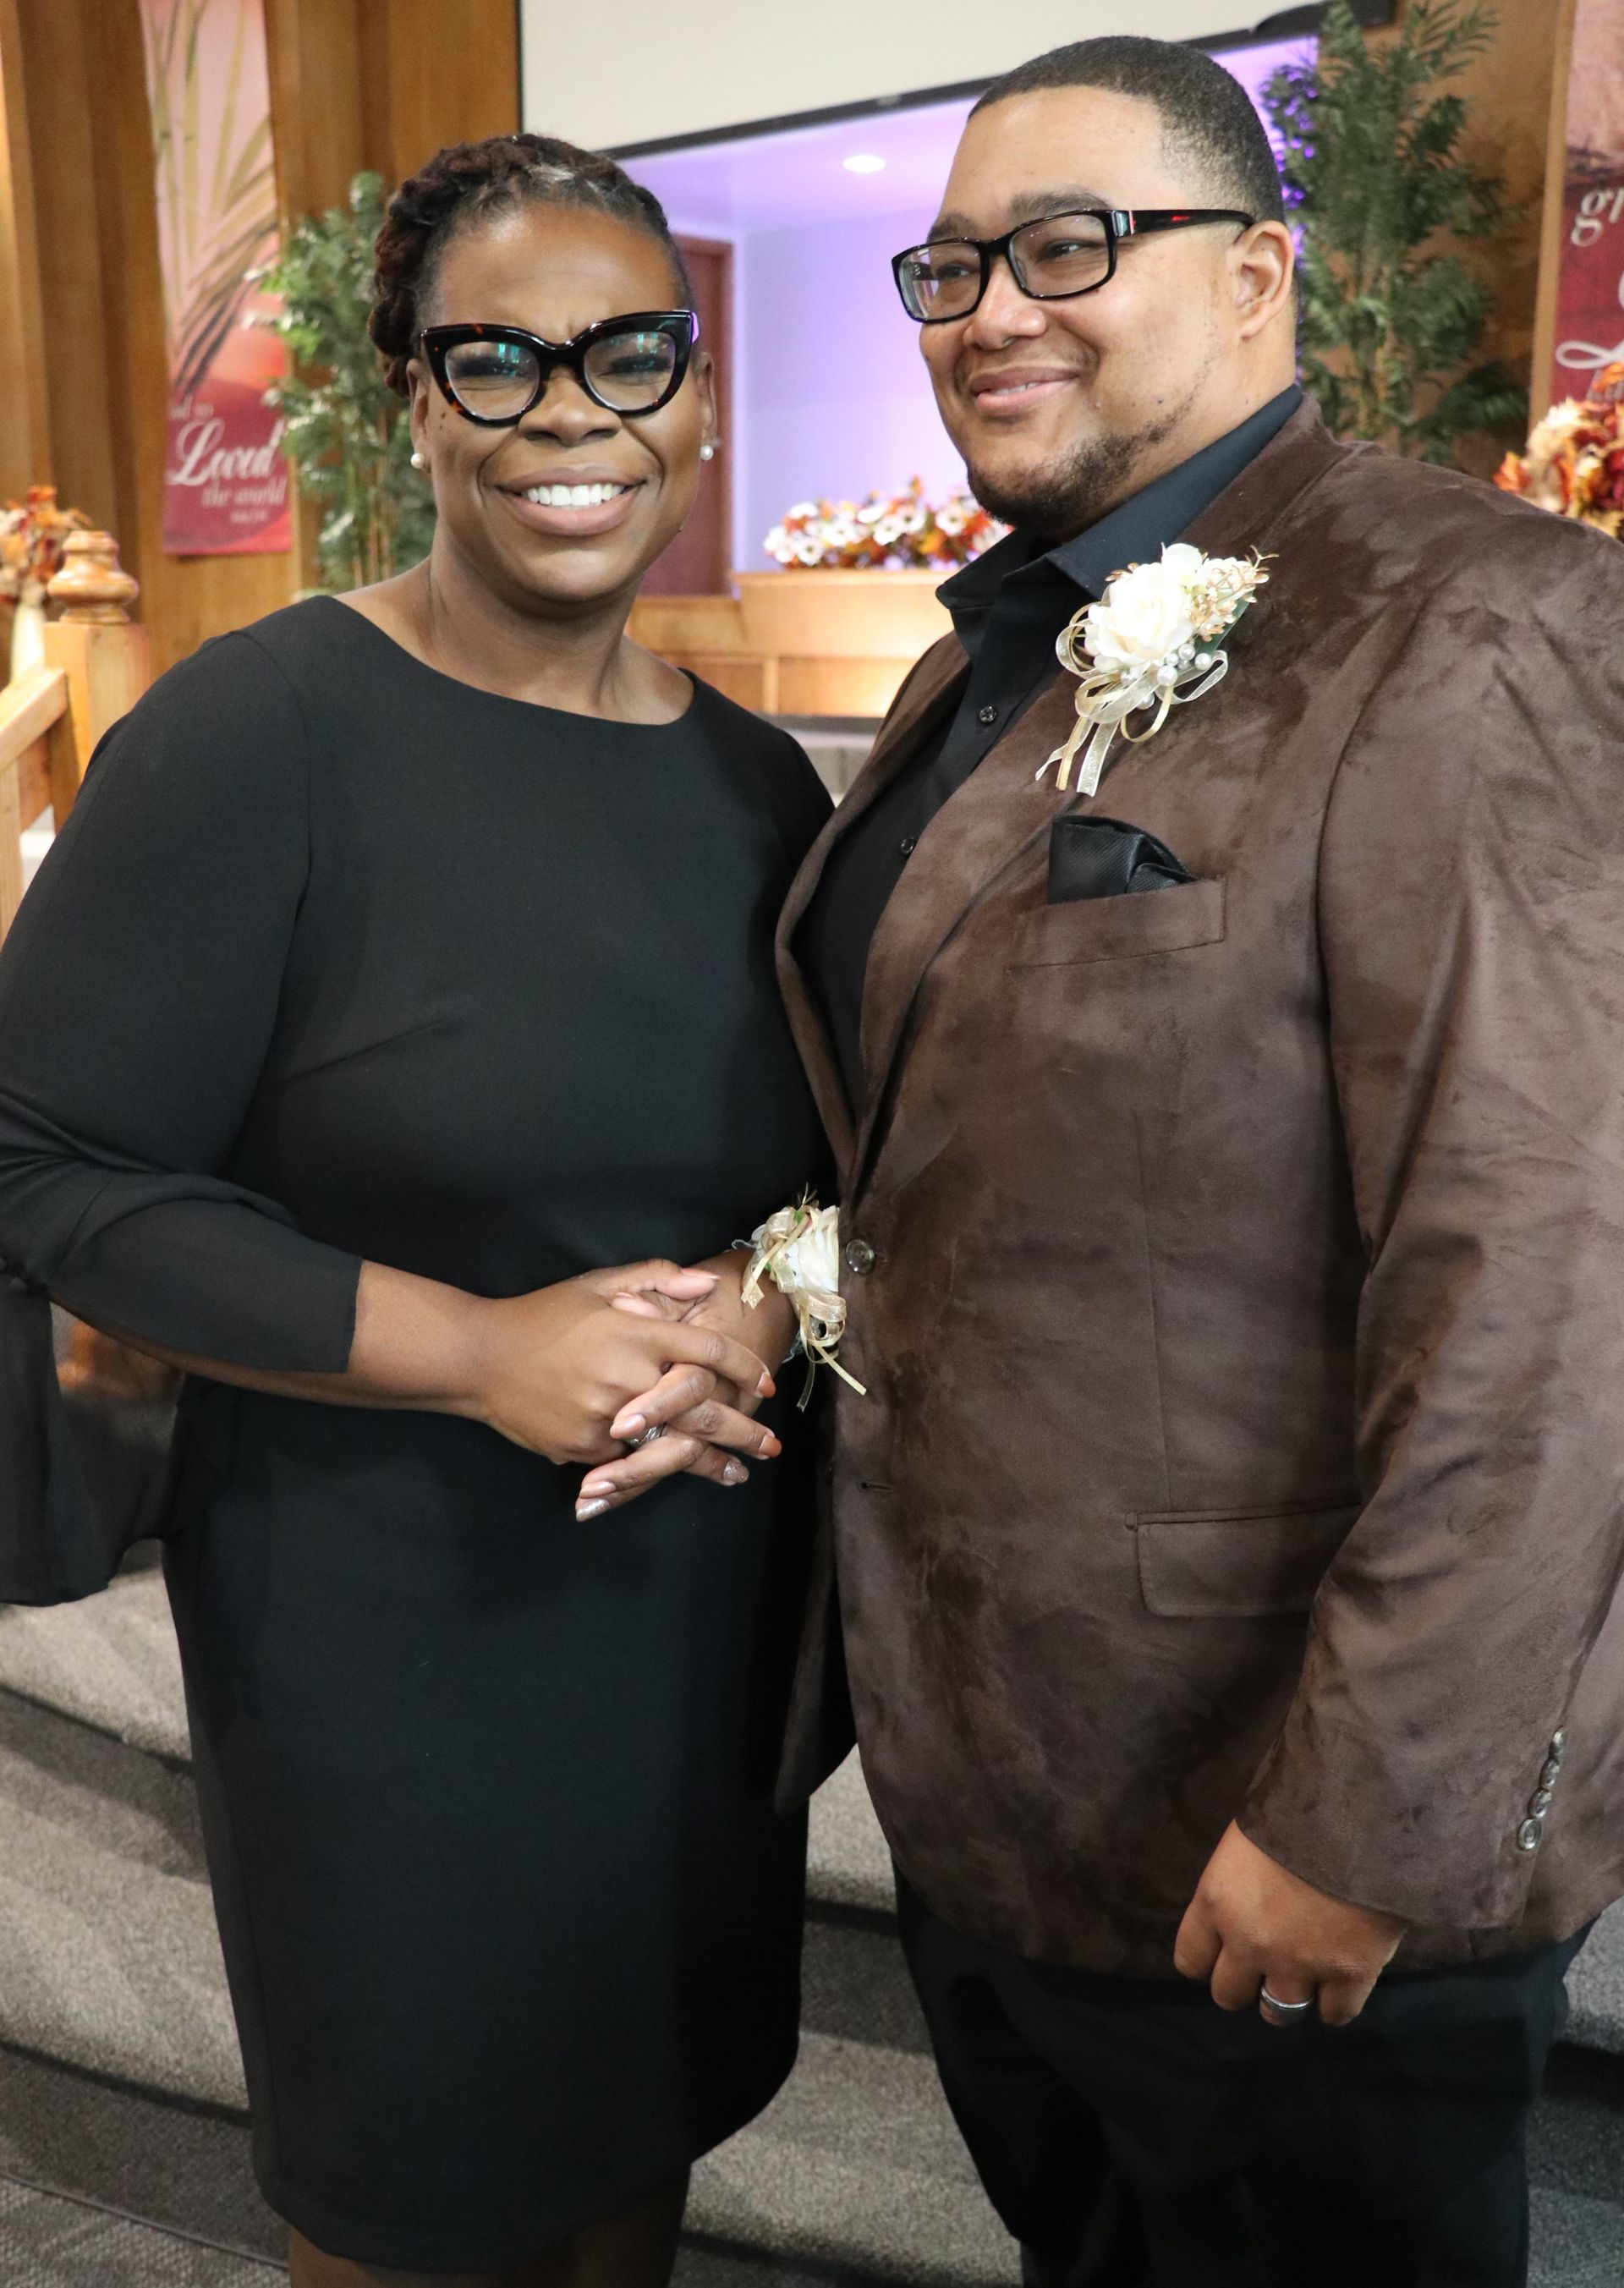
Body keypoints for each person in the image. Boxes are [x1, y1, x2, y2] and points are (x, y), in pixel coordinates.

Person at [778, 36, 1624, 2288]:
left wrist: (1369, 1824)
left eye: (1073, 246)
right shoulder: (989, 656)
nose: (992, 308)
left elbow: (1546, 1279)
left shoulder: (1477, 621)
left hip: (1280, 1832)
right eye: (951, 264)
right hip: (1004, 1777)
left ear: (1257, 276)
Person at [0, 134, 833, 2287]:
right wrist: (478, 1347)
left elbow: (820, 1169)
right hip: (386, 1622)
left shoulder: (757, 786)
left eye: (629, 352)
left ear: (700, 387)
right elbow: (47, 1166)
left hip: (690, 1619)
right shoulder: (261, 736)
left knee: (637, 2145)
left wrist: (760, 1292)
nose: (575, 413)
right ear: (414, 402)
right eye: (502, 360)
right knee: (421, 2186)